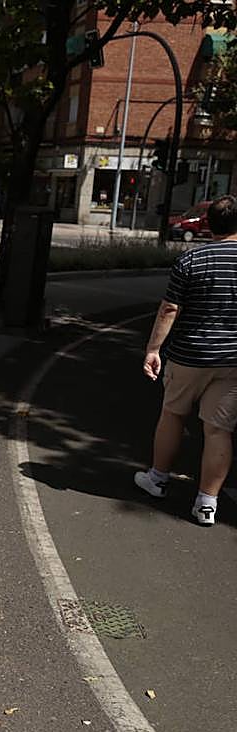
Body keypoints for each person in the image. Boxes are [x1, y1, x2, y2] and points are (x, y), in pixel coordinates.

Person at [134, 194, 237, 526]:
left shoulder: (192, 261)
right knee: (219, 430)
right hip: (234, 360)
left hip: (190, 354)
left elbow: (169, 309)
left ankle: (158, 478)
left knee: (173, 414)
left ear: (208, 225)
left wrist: (153, 349)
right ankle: (207, 504)